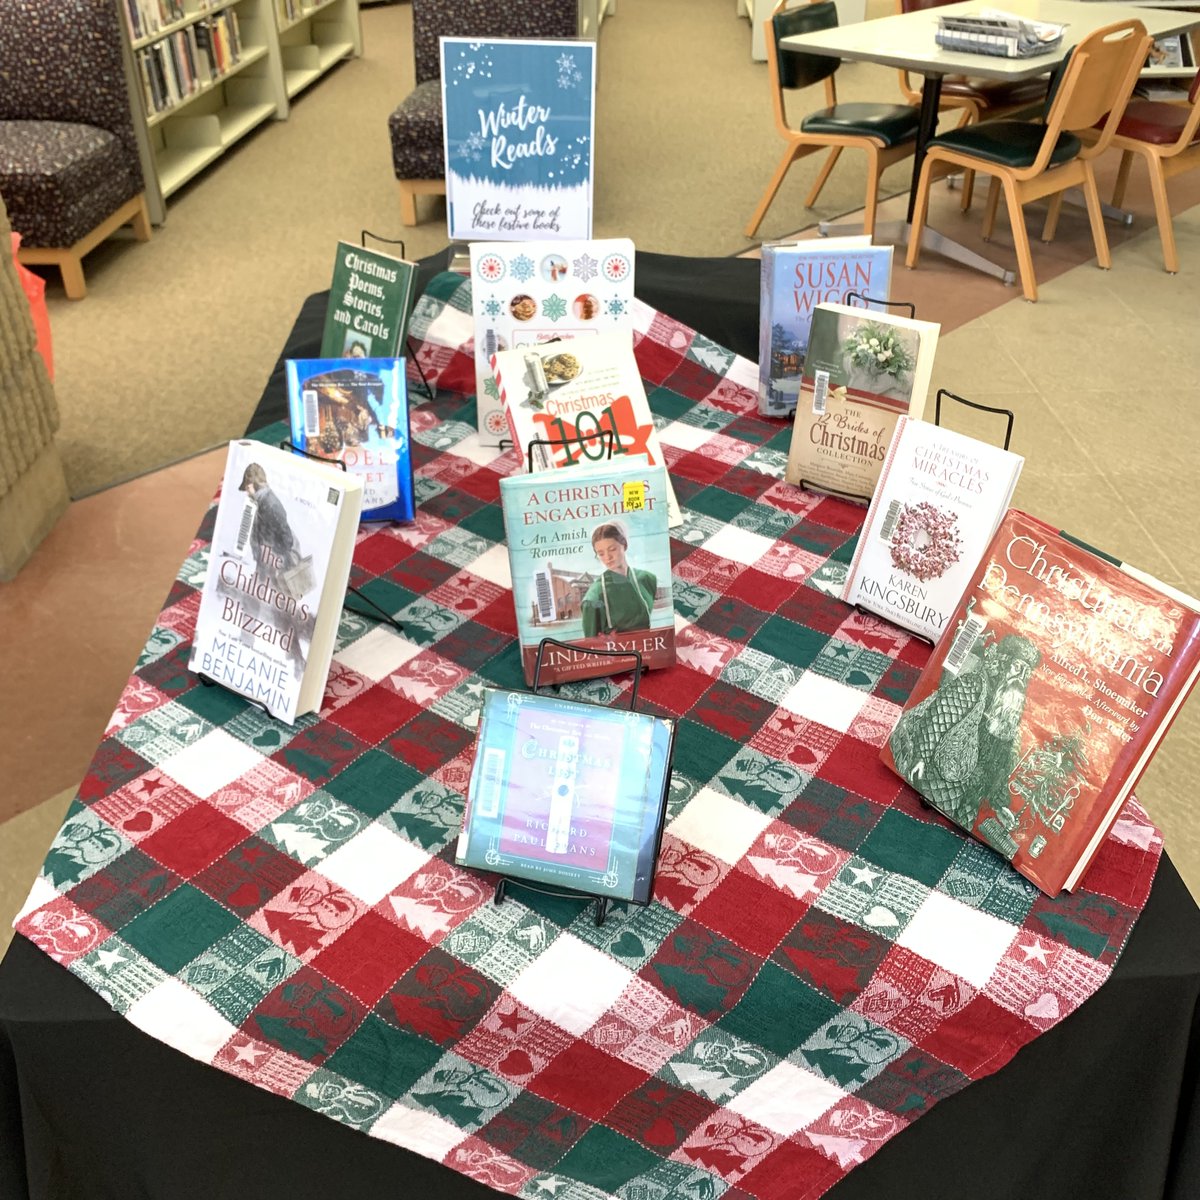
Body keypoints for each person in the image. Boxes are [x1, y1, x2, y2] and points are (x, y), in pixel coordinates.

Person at [581, 521, 656, 636]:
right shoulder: (594, 597)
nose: (607, 557)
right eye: (601, 554)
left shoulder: (648, 579)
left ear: (624, 545)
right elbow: (591, 645)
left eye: (612, 549)